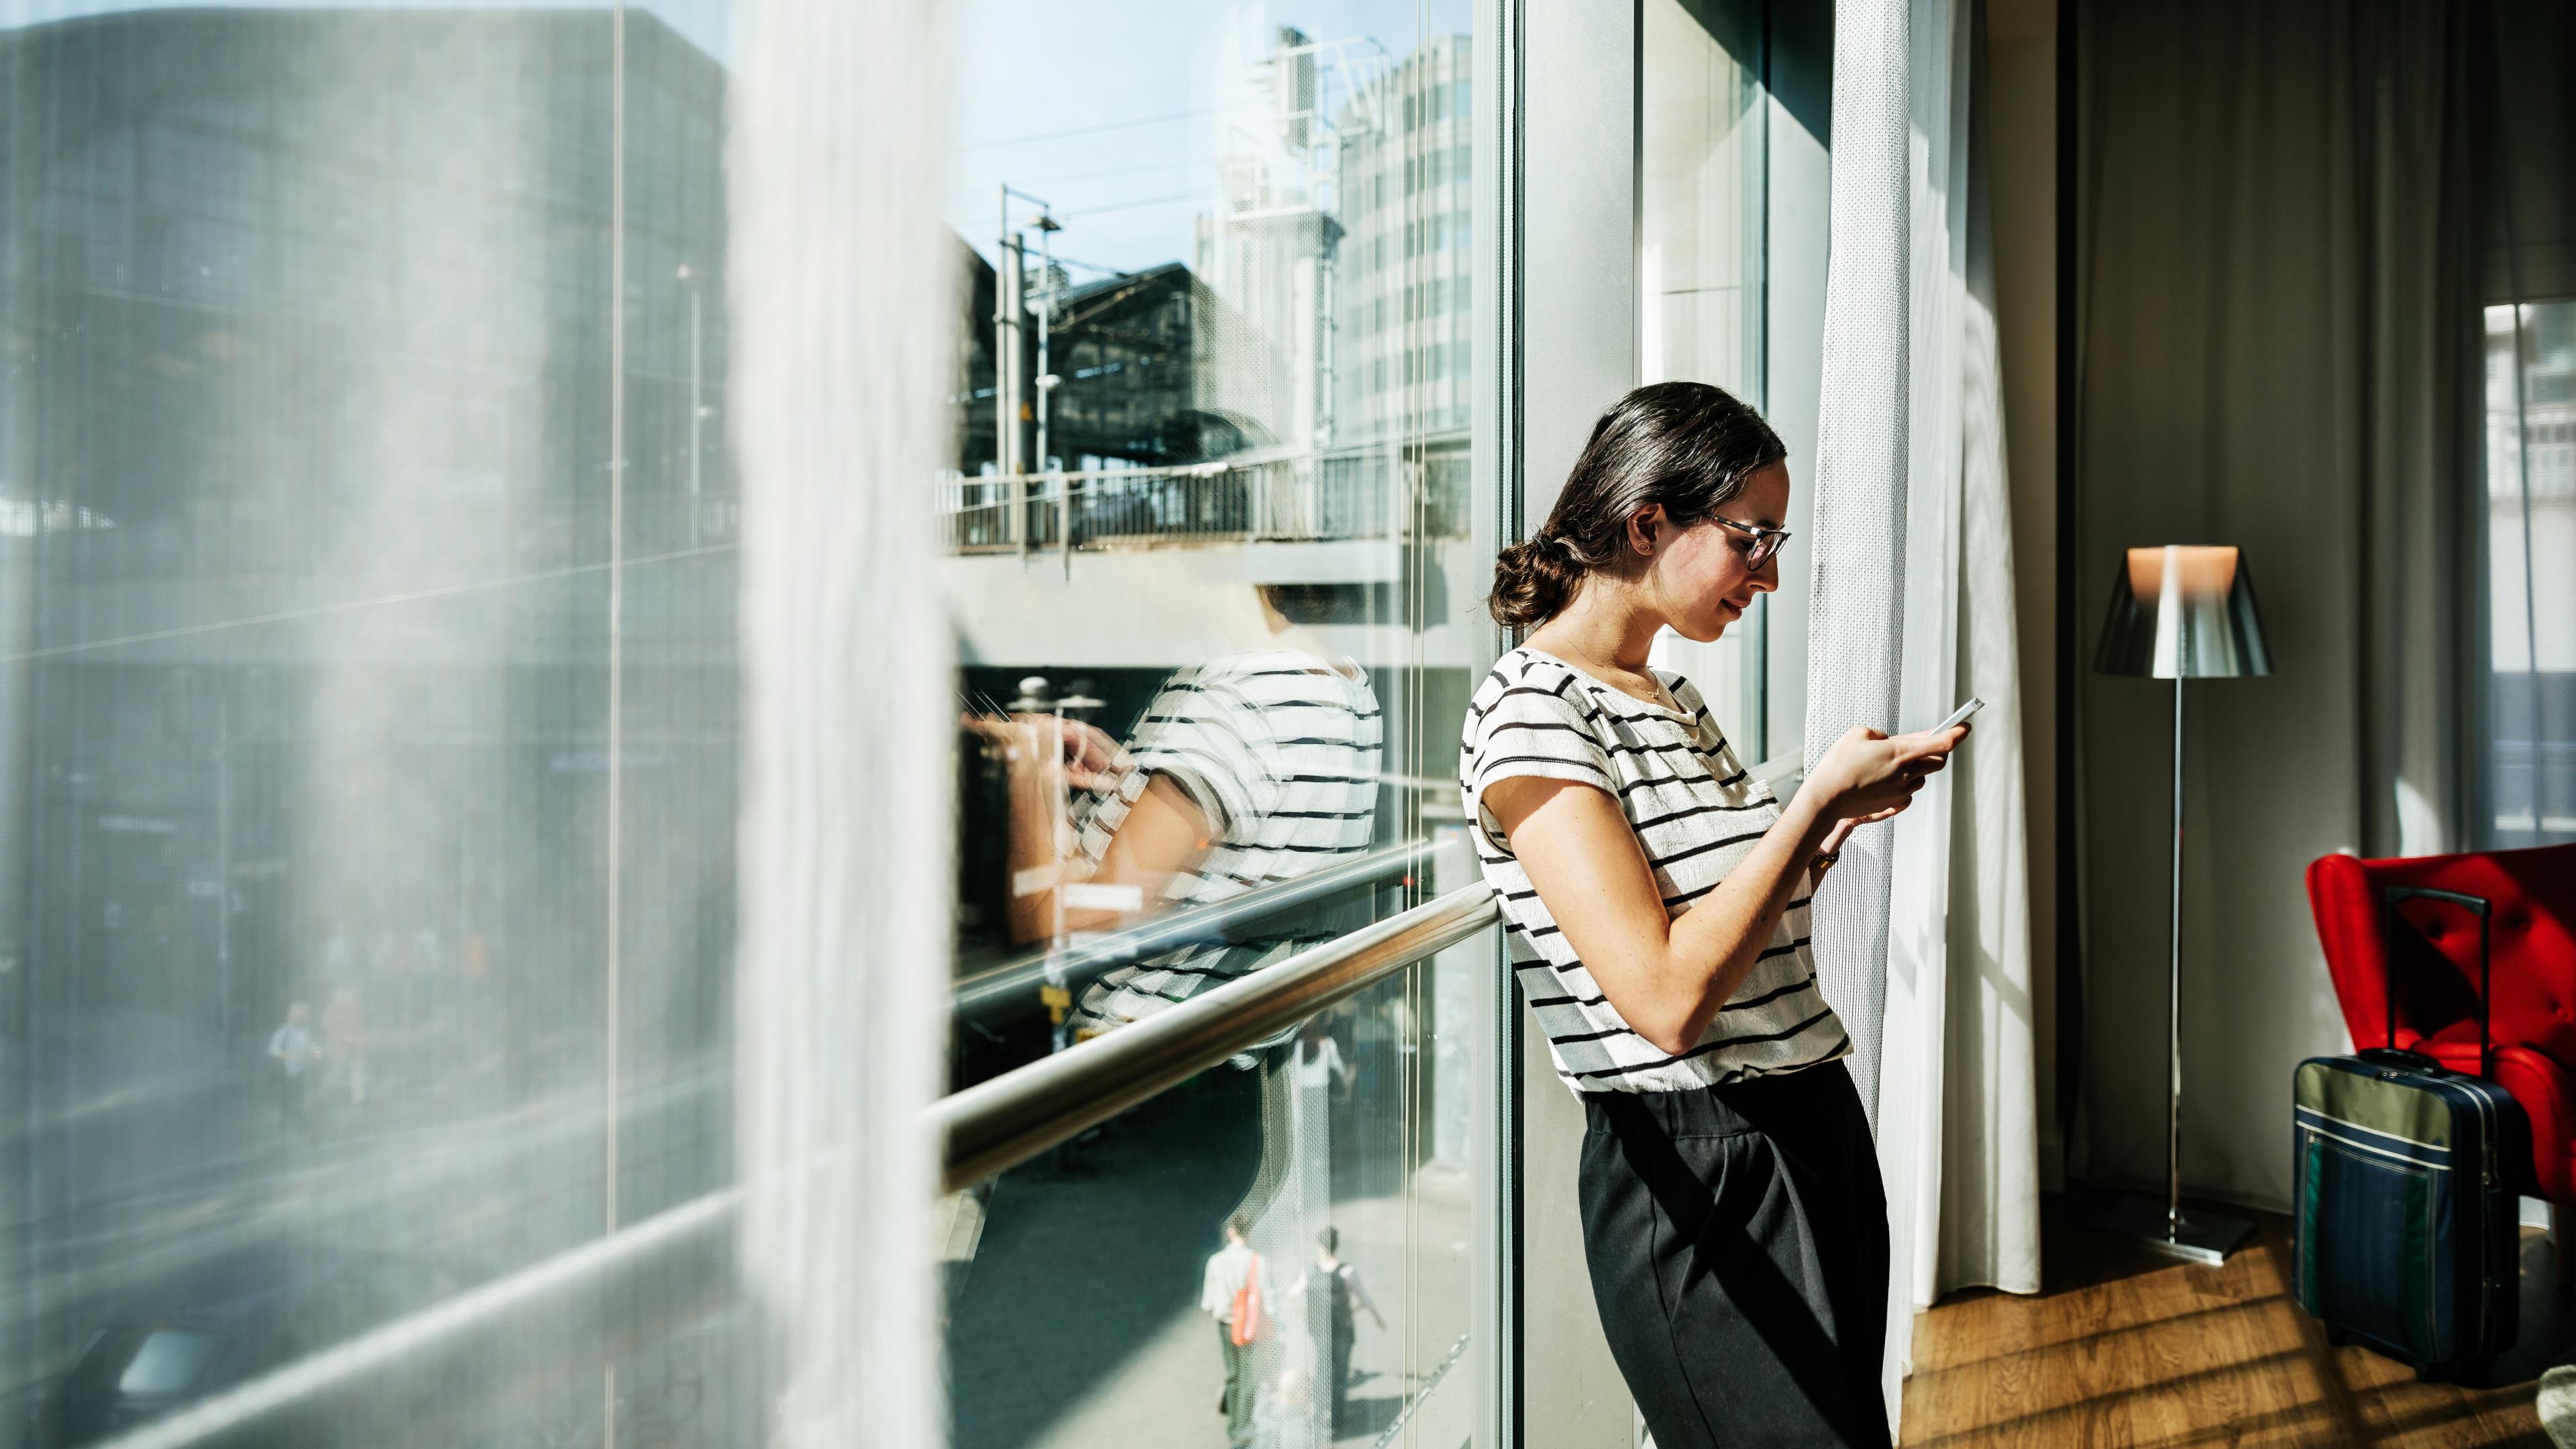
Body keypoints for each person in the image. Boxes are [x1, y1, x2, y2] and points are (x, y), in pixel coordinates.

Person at [1460, 382, 1964, 1448]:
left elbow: (1732, 930)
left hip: (1810, 1120)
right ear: (1649, 522)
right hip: (1697, 1167)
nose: (1770, 575)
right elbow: (1667, 1000)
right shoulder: (1532, 711)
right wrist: (1813, 803)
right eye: (1754, 539)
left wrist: (1820, 841)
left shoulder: (1671, 699)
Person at [1294, 1226, 1382, 1432]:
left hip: (1321, 1332)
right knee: (1340, 1374)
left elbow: (1294, 1292)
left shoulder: (1310, 1272)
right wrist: (1377, 1318)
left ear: (1320, 1247)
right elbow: (1365, 1298)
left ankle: (1319, 1415)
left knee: (1322, 1372)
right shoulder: (1346, 1271)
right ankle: (1336, 1420)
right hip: (1343, 1331)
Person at [1201, 1215, 1269, 1447]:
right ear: (1248, 1233)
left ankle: (1233, 1426)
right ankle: (1244, 1428)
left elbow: (1208, 1303)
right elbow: (1269, 1299)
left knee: (1233, 1374)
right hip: (1250, 1325)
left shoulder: (1215, 1261)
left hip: (1225, 1324)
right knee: (1249, 1376)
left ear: (1230, 1232)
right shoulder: (1257, 1261)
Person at [267, 1002, 321, 1136]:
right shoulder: (285, 1031)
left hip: (304, 1068)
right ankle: (290, 1122)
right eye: (295, 1014)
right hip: (288, 1071)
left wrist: (317, 1054)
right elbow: (273, 1049)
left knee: (299, 1096)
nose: (298, 1017)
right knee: (289, 1097)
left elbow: (315, 1044)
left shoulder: (307, 1030)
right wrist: (288, 1056)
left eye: (300, 1015)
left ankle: (298, 1123)